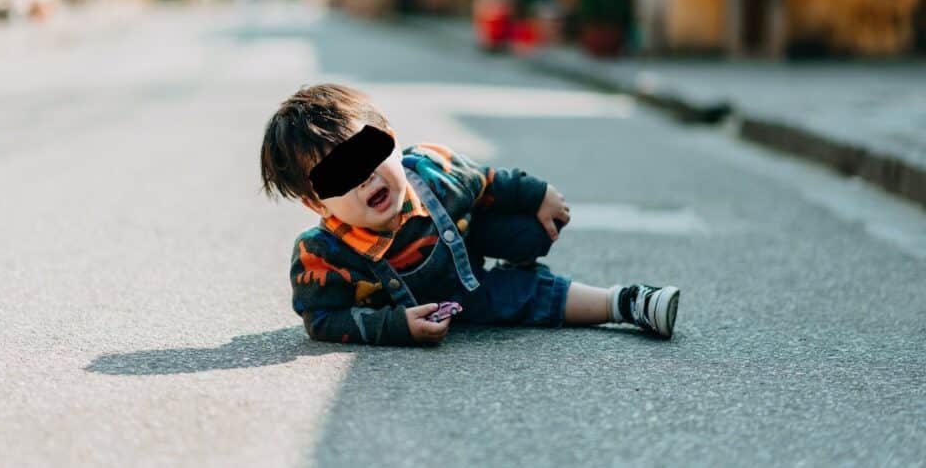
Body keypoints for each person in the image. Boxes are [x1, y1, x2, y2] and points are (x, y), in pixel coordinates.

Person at [260, 83, 679, 346]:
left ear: (389, 138)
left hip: (465, 238)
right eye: (340, 176)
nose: (366, 177)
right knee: (529, 294)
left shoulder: (430, 170)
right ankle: (625, 302)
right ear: (317, 204)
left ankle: (522, 249)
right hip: (455, 299)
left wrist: (537, 194)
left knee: (532, 225)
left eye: (367, 153)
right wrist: (396, 326)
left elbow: (485, 179)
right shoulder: (323, 256)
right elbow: (323, 320)